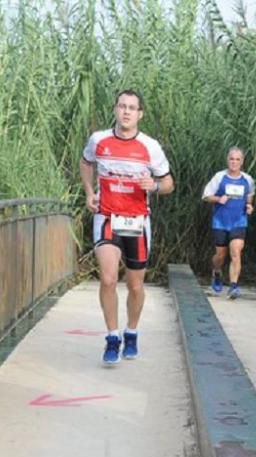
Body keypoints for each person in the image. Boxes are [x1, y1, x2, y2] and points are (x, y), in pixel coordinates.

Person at [81, 89, 174, 365]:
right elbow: (86, 163)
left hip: (137, 222)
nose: (126, 112)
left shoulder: (150, 146)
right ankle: (112, 337)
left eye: (132, 108)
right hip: (108, 217)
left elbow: (169, 183)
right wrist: (89, 192)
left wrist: (154, 185)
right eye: (122, 106)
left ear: (139, 114)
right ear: (115, 110)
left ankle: (131, 332)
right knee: (109, 279)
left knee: (135, 285)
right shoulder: (99, 140)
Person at [203, 147, 255, 299]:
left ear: (242, 162)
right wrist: (218, 199)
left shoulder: (247, 179)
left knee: (236, 251)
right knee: (220, 256)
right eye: (232, 159)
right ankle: (217, 272)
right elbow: (206, 196)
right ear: (228, 160)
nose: (234, 162)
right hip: (220, 221)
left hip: (239, 221)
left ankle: (233, 286)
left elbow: (250, 196)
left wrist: (250, 206)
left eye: (237, 159)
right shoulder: (219, 177)